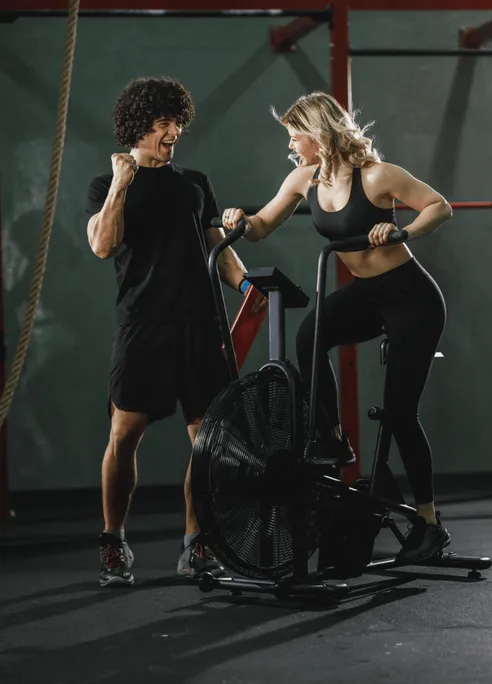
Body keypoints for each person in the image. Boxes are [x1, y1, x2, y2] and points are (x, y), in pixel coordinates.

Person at [221, 91, 452, 564]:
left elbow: (438, 206)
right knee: (310, 337)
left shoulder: (377, 175)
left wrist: (401, 231)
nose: (291, 146)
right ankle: (331, 434)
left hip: (413, 300)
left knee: (400, 414)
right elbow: (262, 225)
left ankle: (429, 525)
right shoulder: (303, 179)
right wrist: (239, 221)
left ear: (319, 134)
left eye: (295, 137)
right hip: (367, 294)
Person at [85, 76, 266, 587]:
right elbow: (102, 245)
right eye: (164, 123)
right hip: (143, 323)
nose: (174, 133)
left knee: (208, 442)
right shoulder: (104, 186)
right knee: (123, 434)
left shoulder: (195, 182)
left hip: (201, 324)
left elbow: (217, 249)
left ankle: (196, 542)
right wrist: (121, 184)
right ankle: (113, 541)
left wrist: (248, 285)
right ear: (138, 127)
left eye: (178, 123)